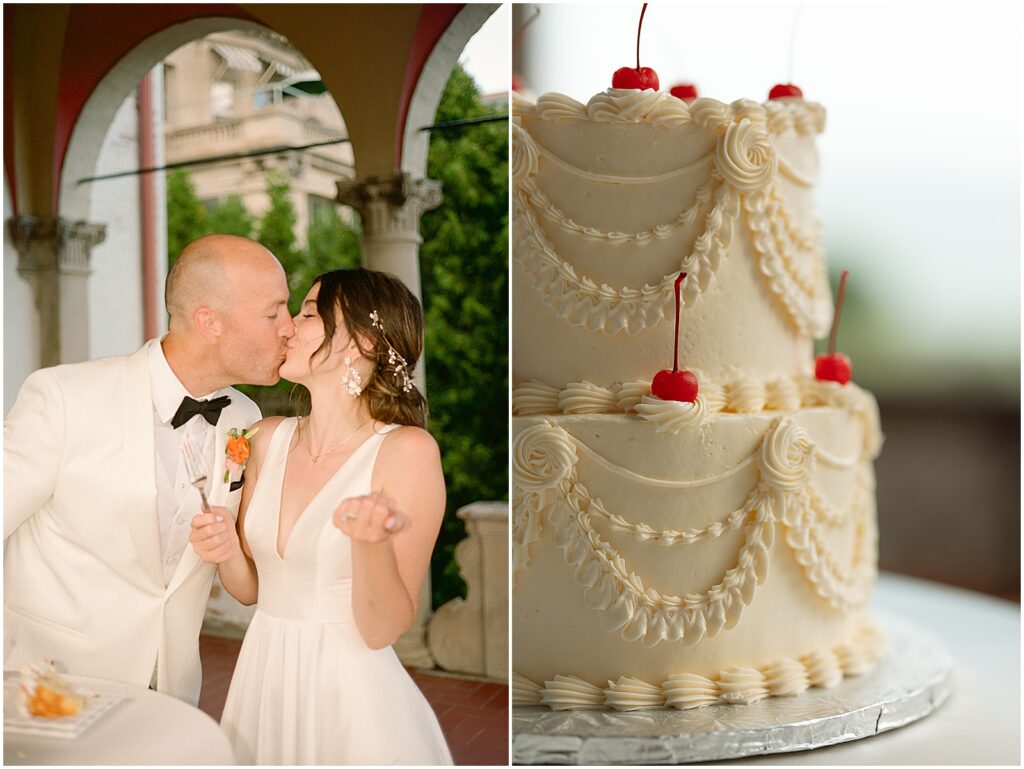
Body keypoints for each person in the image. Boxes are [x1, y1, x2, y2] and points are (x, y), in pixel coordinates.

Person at [3, 234, 295, 705]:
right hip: (49, 688)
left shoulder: (243, 418)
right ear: (209, 322)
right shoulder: (63, 397)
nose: (290, 328)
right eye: (273, 312)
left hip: (172, 693)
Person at [190, 268, 452, 765]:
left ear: (361, 342)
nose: (288, 325)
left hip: (349, 695)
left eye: (309, 314)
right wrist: (224, 548)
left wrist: (369, 543)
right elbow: (251, 591)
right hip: (263, 679)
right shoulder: (264, 439)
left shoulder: (406, 452)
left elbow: (383, 630)